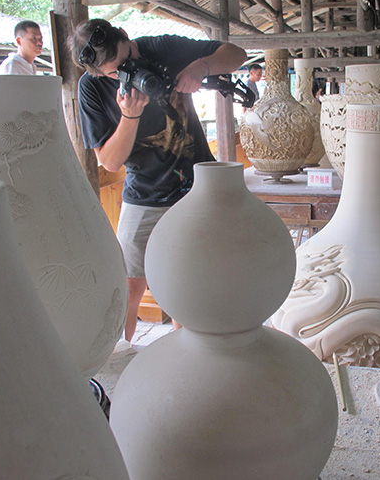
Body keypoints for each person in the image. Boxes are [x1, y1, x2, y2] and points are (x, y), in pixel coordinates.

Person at [70, 19, 247, 342]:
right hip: (144, 193)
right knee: (128, 283)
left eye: (126, 61)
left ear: (126, 36)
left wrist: (200, 66)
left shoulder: (159, 48)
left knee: (189, 279)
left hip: (198, 188)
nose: (123, 72)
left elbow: (237, 54)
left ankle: (187, 358)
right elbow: (109, 161)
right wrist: (130, 116)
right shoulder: (91, 87)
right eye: (113, 72)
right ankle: (120, 357)